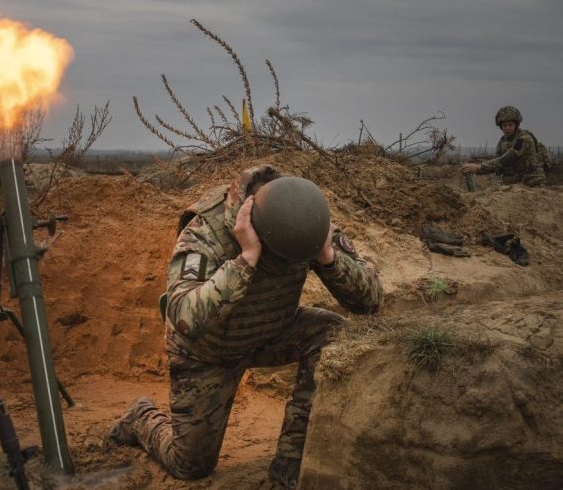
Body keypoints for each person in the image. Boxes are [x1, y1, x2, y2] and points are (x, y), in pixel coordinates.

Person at [107, 165, 384, 489]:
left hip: (271, 331)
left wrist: (327, 256)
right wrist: (247, 259)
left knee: (331, 331)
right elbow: (183, 318)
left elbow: (371, 302)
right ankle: (140, 417)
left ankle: (289, 464)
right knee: (190, 466)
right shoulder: (205, 232)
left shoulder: (303, 220)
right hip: (207, 352)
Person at [460, 106, 547, 187]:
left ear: (516, 125)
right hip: (515, 185)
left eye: (510, 125)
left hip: (533, 183)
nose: (507, 128)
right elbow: (497, 160)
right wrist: (474, 165)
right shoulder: (502, 141)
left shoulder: (524, 139)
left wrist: (479, 167)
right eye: (504, 125)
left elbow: (508, 159)